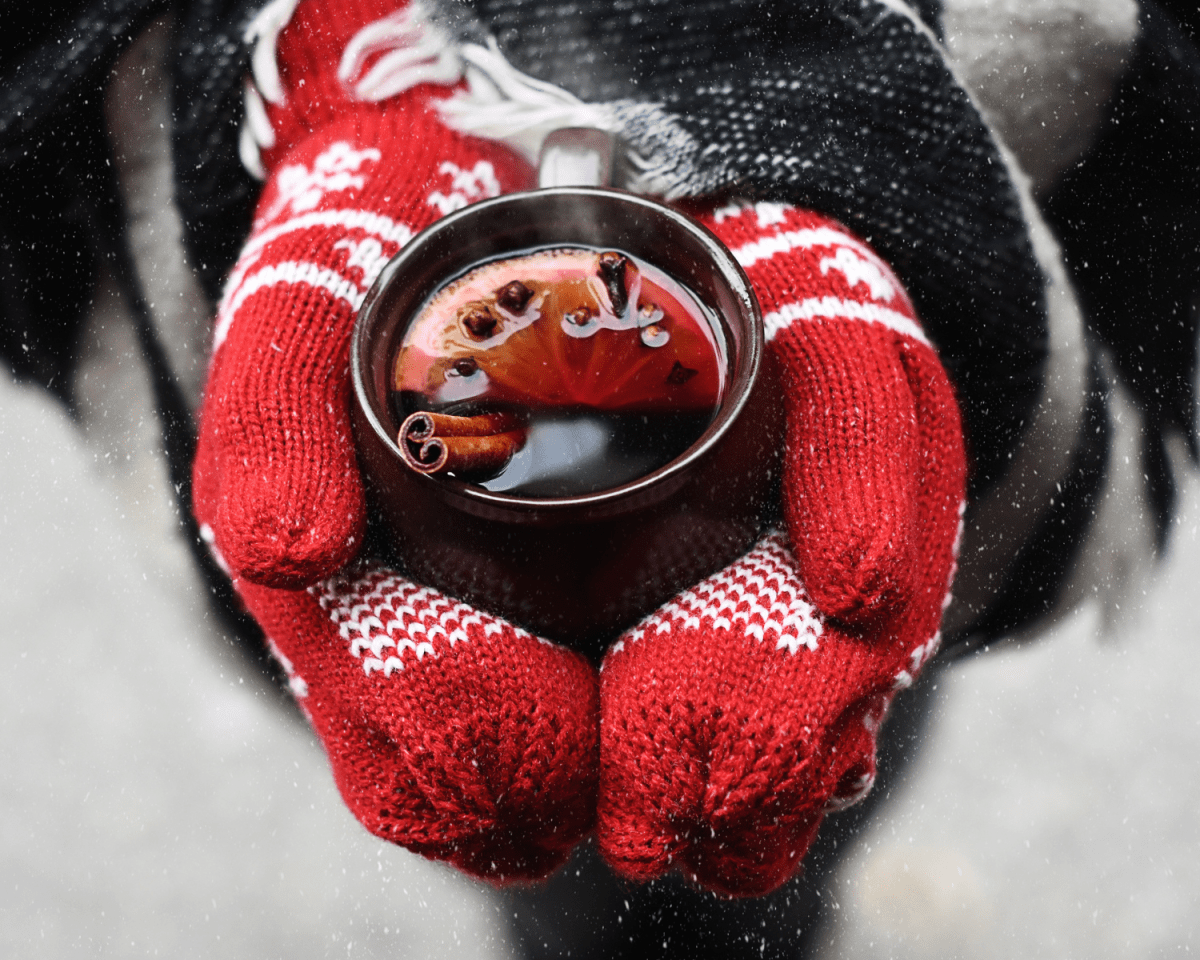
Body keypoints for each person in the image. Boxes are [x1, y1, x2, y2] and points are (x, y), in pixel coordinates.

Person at [3, 0, 1198, 956]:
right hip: (426, 518)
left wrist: (812, 113)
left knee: (793, 743)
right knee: (524, 811)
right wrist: (330, 72)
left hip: (772, 463)